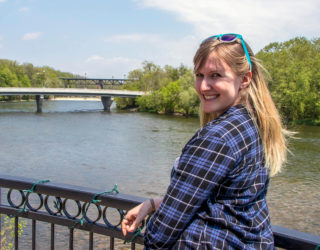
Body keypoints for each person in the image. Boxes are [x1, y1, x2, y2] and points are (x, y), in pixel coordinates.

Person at [121, 33, 292, 249]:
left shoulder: (218, 136)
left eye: (216, 75)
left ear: (245, 79)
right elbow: (225, 202)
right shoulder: (253, 125)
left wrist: (151, 237)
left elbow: (164, 230)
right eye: (199, 75)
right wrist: (153, 204)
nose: (203, 86)